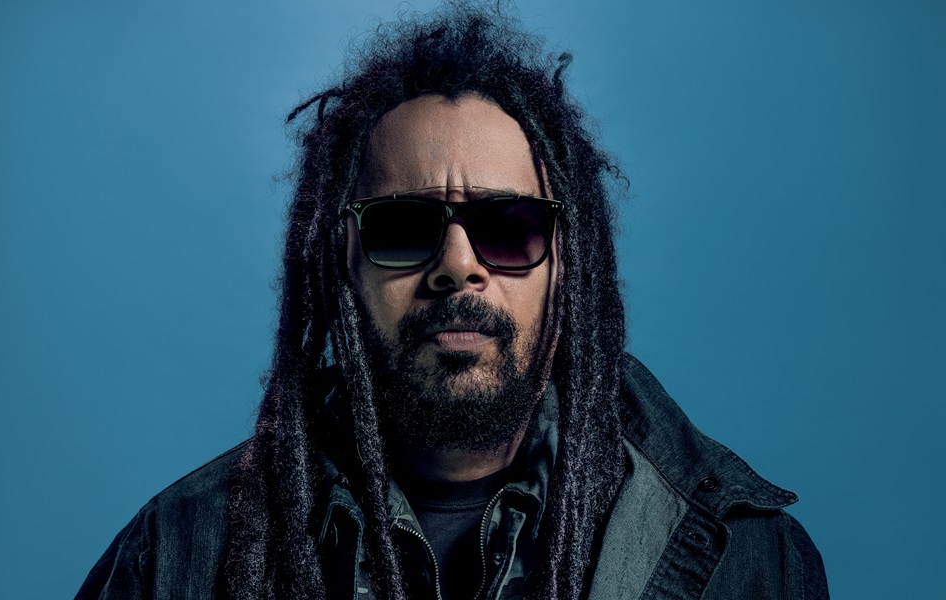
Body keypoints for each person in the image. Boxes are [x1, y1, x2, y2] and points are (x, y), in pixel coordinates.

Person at [76, 4, 828, 599]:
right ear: (341, 264)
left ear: (566, 265)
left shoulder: (749, 559)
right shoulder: (175, 552)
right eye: (404, 228)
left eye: (509, 226)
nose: (458, 266)